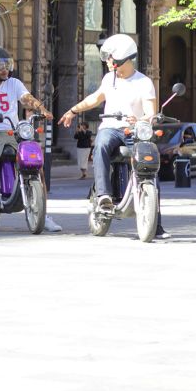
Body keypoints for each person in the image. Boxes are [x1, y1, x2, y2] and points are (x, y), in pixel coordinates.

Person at [58, 34, 168, 238]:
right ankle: (103, 196)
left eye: (110, 58)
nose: (107, 61)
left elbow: (150, 112)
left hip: (133, 130)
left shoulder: (144, 82)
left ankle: (157, 225)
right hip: (110, 127)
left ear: (122, 59)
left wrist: (142, 120)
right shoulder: (109, 79)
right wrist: (73, 110)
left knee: (150, 167)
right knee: (100, 145)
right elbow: (95, 98)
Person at [0, 47, 54, 233]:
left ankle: (44, 215)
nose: (5, 69)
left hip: (12, 131)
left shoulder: (14, 83)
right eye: (0, 66)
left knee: (37, 168)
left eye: (7, 65)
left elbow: (25, 98)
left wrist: (41, 108)